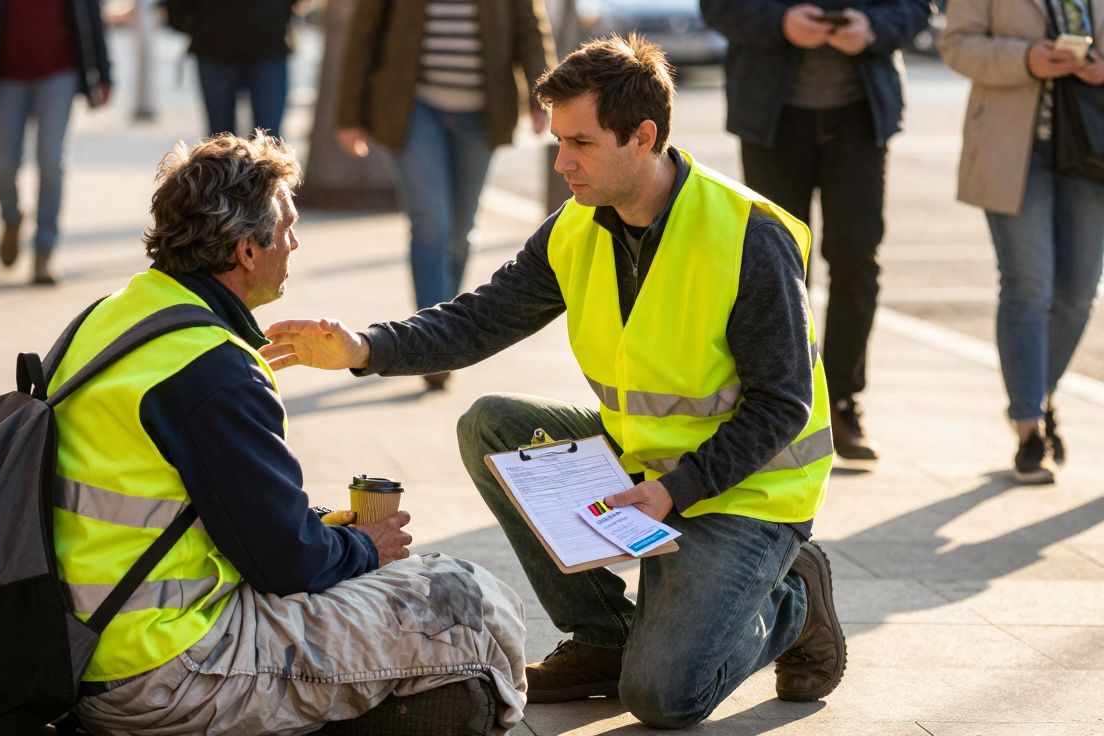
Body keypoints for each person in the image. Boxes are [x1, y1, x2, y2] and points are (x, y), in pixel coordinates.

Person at [266, 35, 848, 728]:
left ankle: (794, 597)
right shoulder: (576, 226)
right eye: (558, 140)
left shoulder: (747, 235)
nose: (562, 161)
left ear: (644, 136)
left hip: (748, 488)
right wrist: (363, 348)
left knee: (666, 697)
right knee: (491, 425)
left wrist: (675, 491)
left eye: (581, 143)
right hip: (646, 470)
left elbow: (784, 405)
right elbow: (479, 321)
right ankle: (604, 638)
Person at [51, 134, 527, 736]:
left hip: (81, 649)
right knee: (465, 602)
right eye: (289, 227)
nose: (297, 243)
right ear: (247, 250)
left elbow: (205, 510)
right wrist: (367, 548)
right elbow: (286, 562)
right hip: (166, 669)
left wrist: (324, 525)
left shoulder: (111, 316)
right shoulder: (213, 368)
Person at [700, 0, 930, 462]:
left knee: (856, 260)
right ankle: (772, 408)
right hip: (772, 118)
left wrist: (873, 26)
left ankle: (842, 402)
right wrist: (781, 22)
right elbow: (718, 7)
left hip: (860, 118)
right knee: (772, 265)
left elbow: (920, 8)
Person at [335, 0, 555, 391]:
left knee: (460, 231)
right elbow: (363, 33)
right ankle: (431, 349)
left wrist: (544, 97)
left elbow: (529, 28)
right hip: (414, 109)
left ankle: (445, 334)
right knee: (431, 223)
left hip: (482, 112)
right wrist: (349, 114)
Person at [939, 0, 1104, 483]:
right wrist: (1026, 58)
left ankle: (1040, 391)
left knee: (1077, 293)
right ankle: (1030, 427)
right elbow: (956, 45)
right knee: (1029, 285)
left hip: (1093, 149)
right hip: (1012, 152)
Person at [0, 0, 112, 286]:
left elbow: (90, 12)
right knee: (4, 166)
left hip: (59, 73)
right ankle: (11, 217)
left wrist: (104, 73)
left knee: (51, 161)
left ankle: (44, 250)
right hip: (4, 74)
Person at [165, 0, 298, 138]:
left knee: (269, 139)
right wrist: (194, 24)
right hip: (214, 50)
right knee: (220, 142)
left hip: (269, 47)